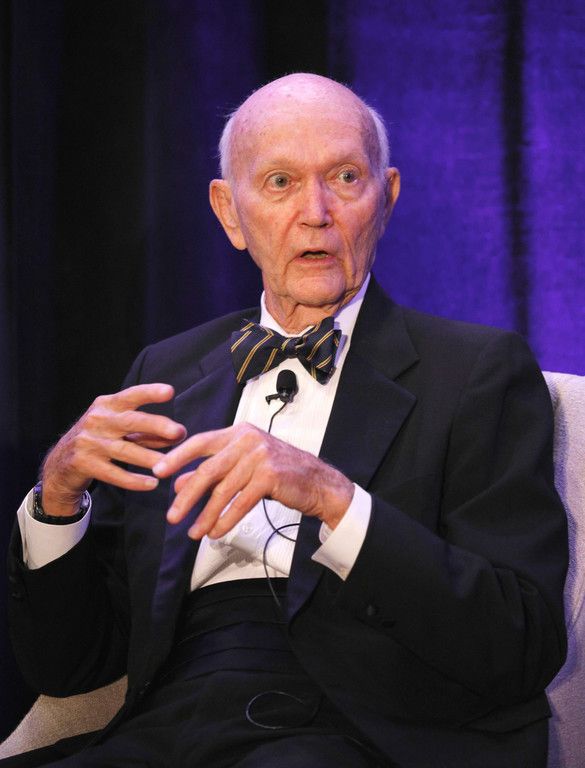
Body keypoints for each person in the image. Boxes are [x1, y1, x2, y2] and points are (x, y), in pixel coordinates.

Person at [6, 73, 568, 768]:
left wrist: (333, 498)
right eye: (279, 182)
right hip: (171, 722)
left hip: (365, 726)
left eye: (345, 177)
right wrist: (58, 498)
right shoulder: (168, 373)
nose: (315, 212)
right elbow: (71, 665)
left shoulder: (476, 370)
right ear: (229, 213)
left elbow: (520, 642)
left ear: (386, 198)